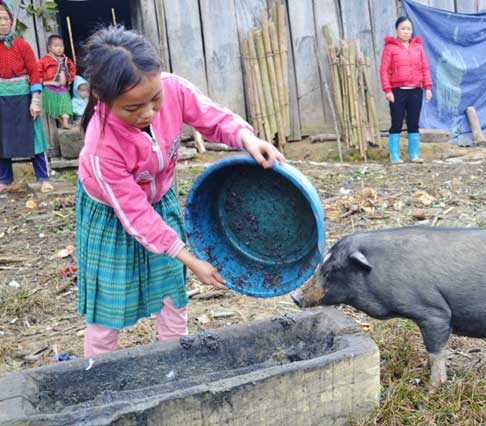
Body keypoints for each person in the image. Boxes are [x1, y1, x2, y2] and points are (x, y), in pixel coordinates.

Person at [76, 26, 285, 357]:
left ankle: (175, 360)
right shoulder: (101, 147)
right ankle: (96, 371)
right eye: (133, 108)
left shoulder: (172, 88)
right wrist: (191, 258)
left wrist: (246, 138)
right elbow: (136, 216)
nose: (148, 113)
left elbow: (212, 117)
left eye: (154, 99)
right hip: (113, 217)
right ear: (101, 97)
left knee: (173, 292)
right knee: (108, 307)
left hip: (159, 201)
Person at [0, 0, 53, 193]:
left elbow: (34, 73)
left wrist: (35, 101)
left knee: (35, 138)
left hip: (24, 99)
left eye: (5, 18)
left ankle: (43, 177)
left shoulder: (22, 46)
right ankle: (5, 180)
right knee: (2, 139)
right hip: (1, 99)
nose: (2, 23)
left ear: (12, 20)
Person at [380, 16, 432, 163]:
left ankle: (414, 155)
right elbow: (384, 71)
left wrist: (427, 87)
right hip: (397, 91)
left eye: (409, 29)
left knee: (413, 123)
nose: (406, 31)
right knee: (396, 122)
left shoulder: (418, 47)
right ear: (397, 30)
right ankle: (394, 155)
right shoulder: (390, 48)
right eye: (403, 28)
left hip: (415, 90)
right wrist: (388, 90)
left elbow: (425, 68)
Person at [38, 34, 75, 129]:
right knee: (53, 107)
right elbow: (38, 70)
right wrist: (41, 81)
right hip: (50, 88)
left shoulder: (66, 60)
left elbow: (72, 69)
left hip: (63, 88)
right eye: (56, 46)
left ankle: (65, 123)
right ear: (49, 47)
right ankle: (61, 122)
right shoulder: (45, 60)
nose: (59, 48)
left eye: (61, 46)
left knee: (66, 105)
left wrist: (71, 78)